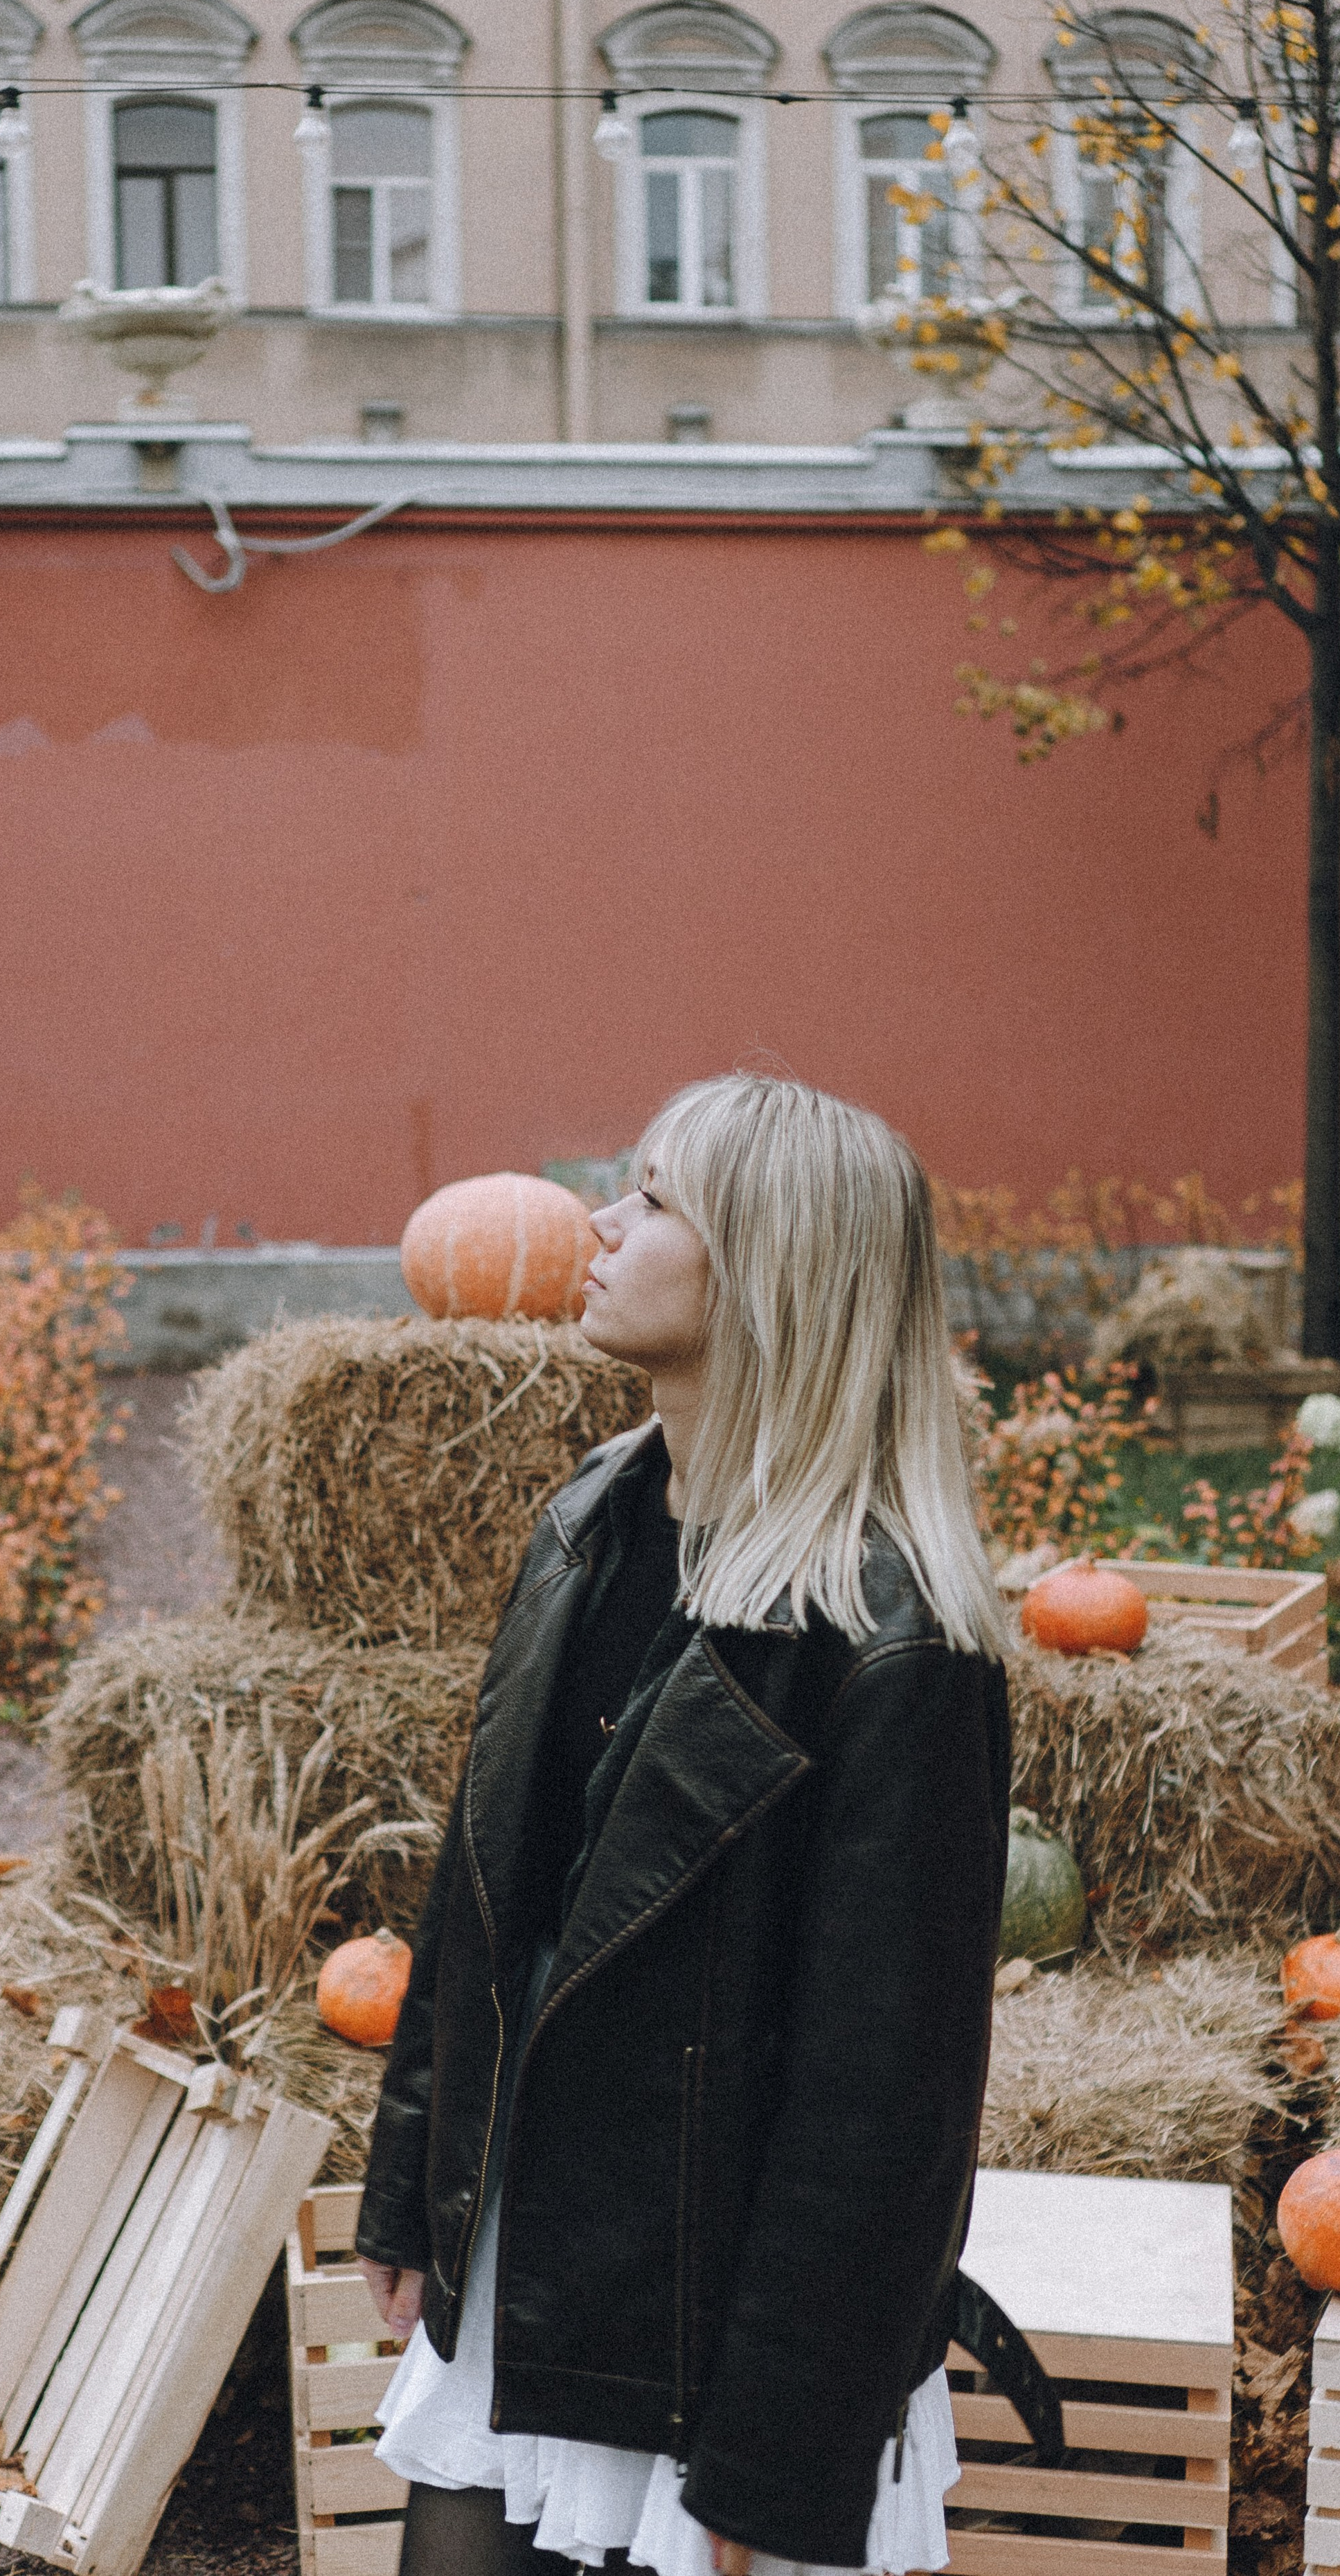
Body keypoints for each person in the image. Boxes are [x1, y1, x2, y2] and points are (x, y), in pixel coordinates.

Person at [355, 1073, 1012, 2576]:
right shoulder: (589, 1518)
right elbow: (483, 1892)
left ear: (769, 1273)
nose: (597, 1223)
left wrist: (774, 2450)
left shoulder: (894, 1643)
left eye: (652, 1200)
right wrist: (412, 2186)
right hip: (535, 2240)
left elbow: (884, 2107)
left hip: (717, 2318)